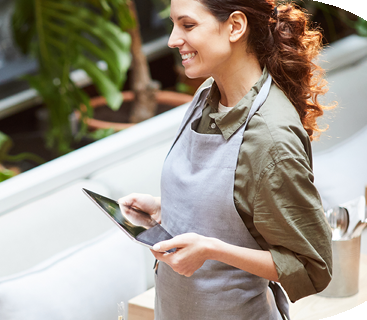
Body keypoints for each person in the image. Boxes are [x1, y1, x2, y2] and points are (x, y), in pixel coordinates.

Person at [118, 0, 333, 319]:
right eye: (174, 25)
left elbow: (311, 266)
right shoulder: (207, 95)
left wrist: (211, 250)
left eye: (188, 26)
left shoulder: (271, 138)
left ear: (235, 26)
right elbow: (236, 210)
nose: (172, 39)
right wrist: (166, 209)